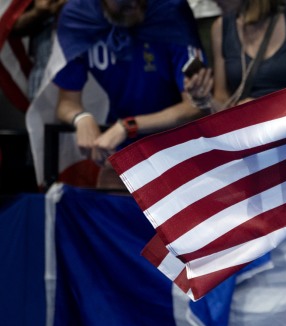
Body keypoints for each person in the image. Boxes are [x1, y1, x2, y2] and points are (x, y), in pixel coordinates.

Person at [53, 0, 206, 188]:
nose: (134, 3)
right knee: (109, 192)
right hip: (123, 149)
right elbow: (66, 103)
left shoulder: (171, 9)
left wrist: (129, 126)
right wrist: (81, 118)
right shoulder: (78, 16)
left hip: (180, 145)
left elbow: (197, 105)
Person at [184, 0, 286, 113]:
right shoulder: (220, 28)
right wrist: (205, 99)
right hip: (256, 144)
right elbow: (225, 104)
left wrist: (268, 108)